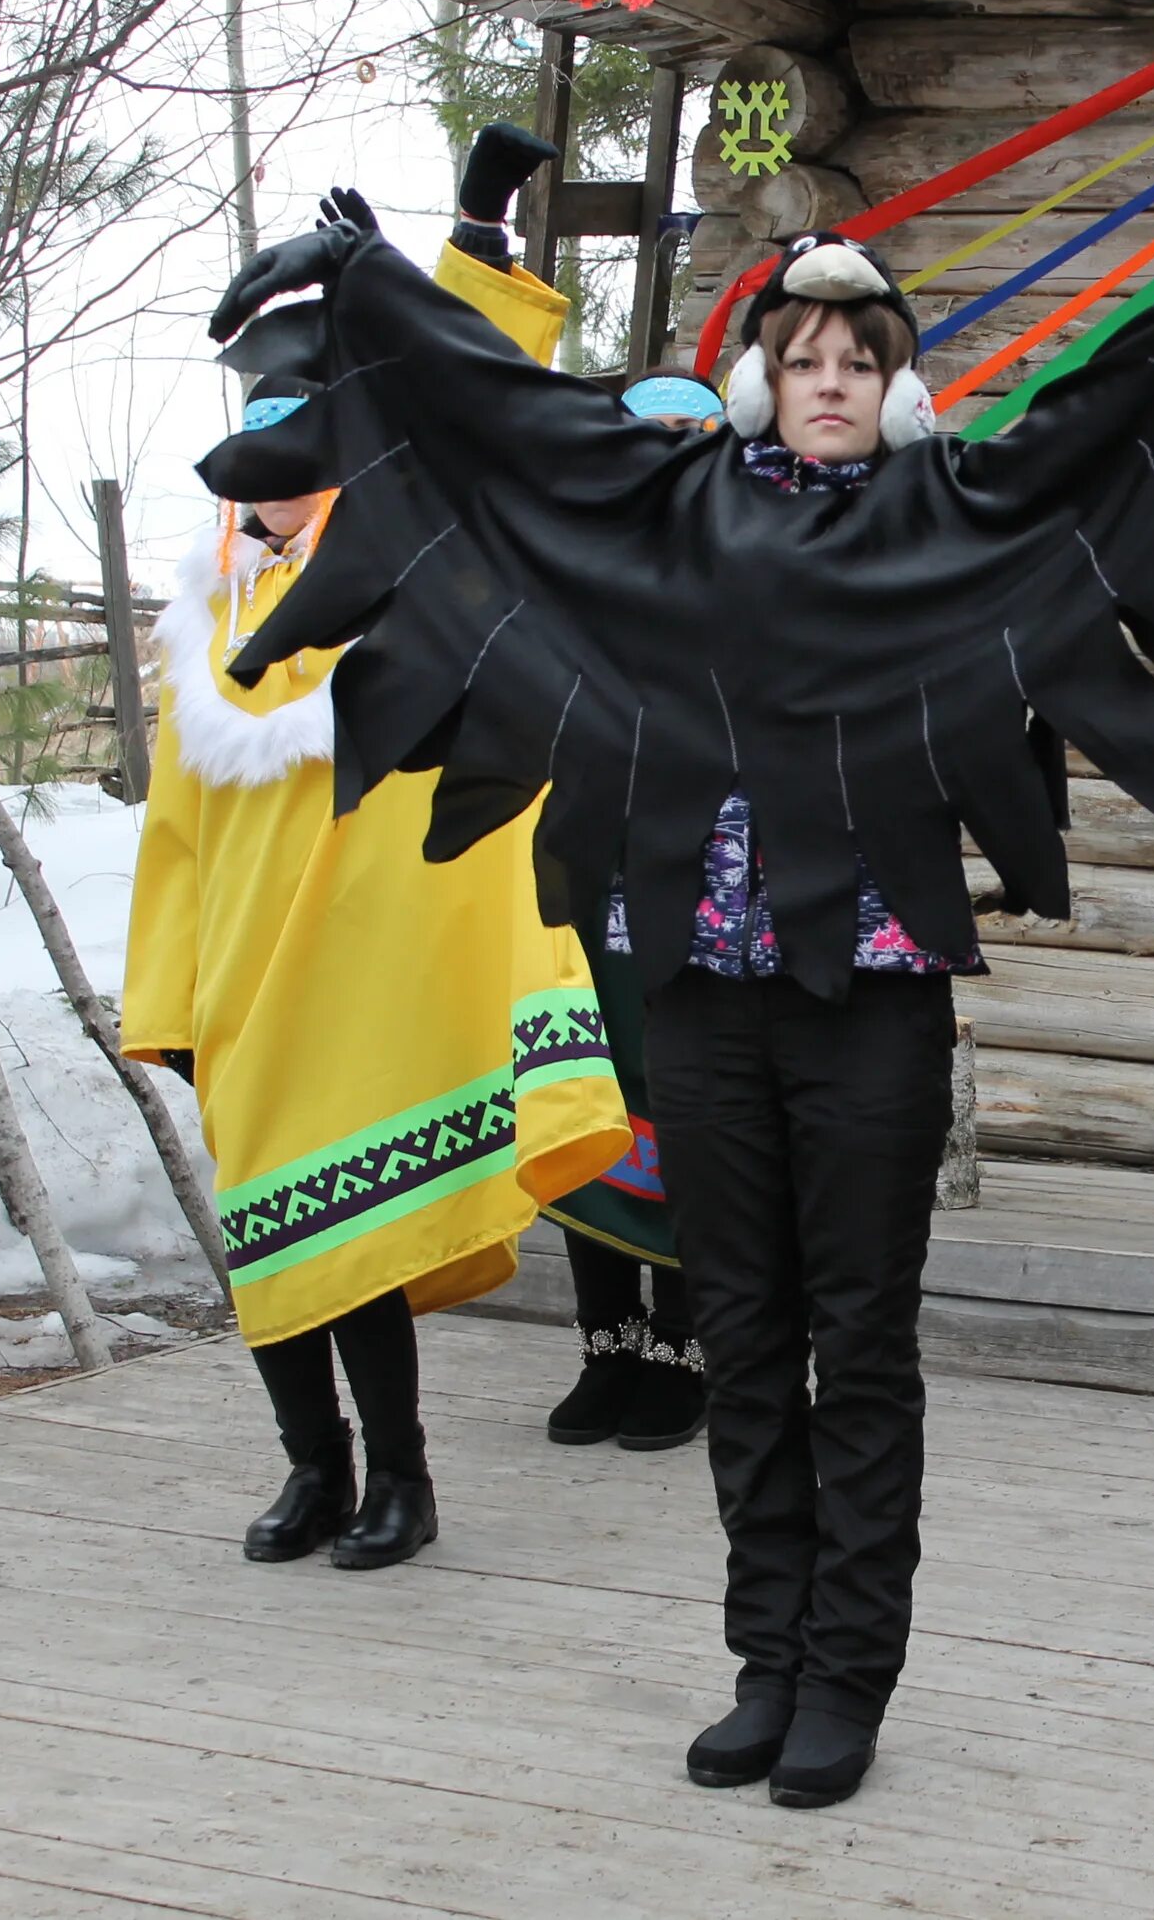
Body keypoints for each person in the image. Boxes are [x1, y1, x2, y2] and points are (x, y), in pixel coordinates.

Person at [193, 198, 1154, 1807]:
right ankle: (765, 1660)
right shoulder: (670, 506)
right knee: (743, 1336)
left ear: (894, 385)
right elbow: (509, 422)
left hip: (871, 1003)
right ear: (756, 377)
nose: (824, 381)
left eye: (854, 361)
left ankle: (849, 1673)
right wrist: (377, 277)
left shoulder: (953, 510)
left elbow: (1094, 417)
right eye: (797, 357)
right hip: (705, 998)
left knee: (857, 1344)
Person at [120, 376, 630, 1573]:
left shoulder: (411, 588)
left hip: (370, 968)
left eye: (301, 455)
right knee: (269, 1229)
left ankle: (401, 1475)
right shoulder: (203, 626)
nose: (274, 482)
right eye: (257, 459)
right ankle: (314, 1462)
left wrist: (474, 247)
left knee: (356, 1235)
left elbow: (478, 419)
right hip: (246, 972)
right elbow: (176, 835)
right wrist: (170, 996)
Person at [429, 130, 718, 1456]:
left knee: (695, 1126)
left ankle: (688, 1349)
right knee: (586, 1104)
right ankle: (608, 1346)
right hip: (574, 896)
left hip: (709, 904)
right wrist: (480, 238)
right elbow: (472, 424)